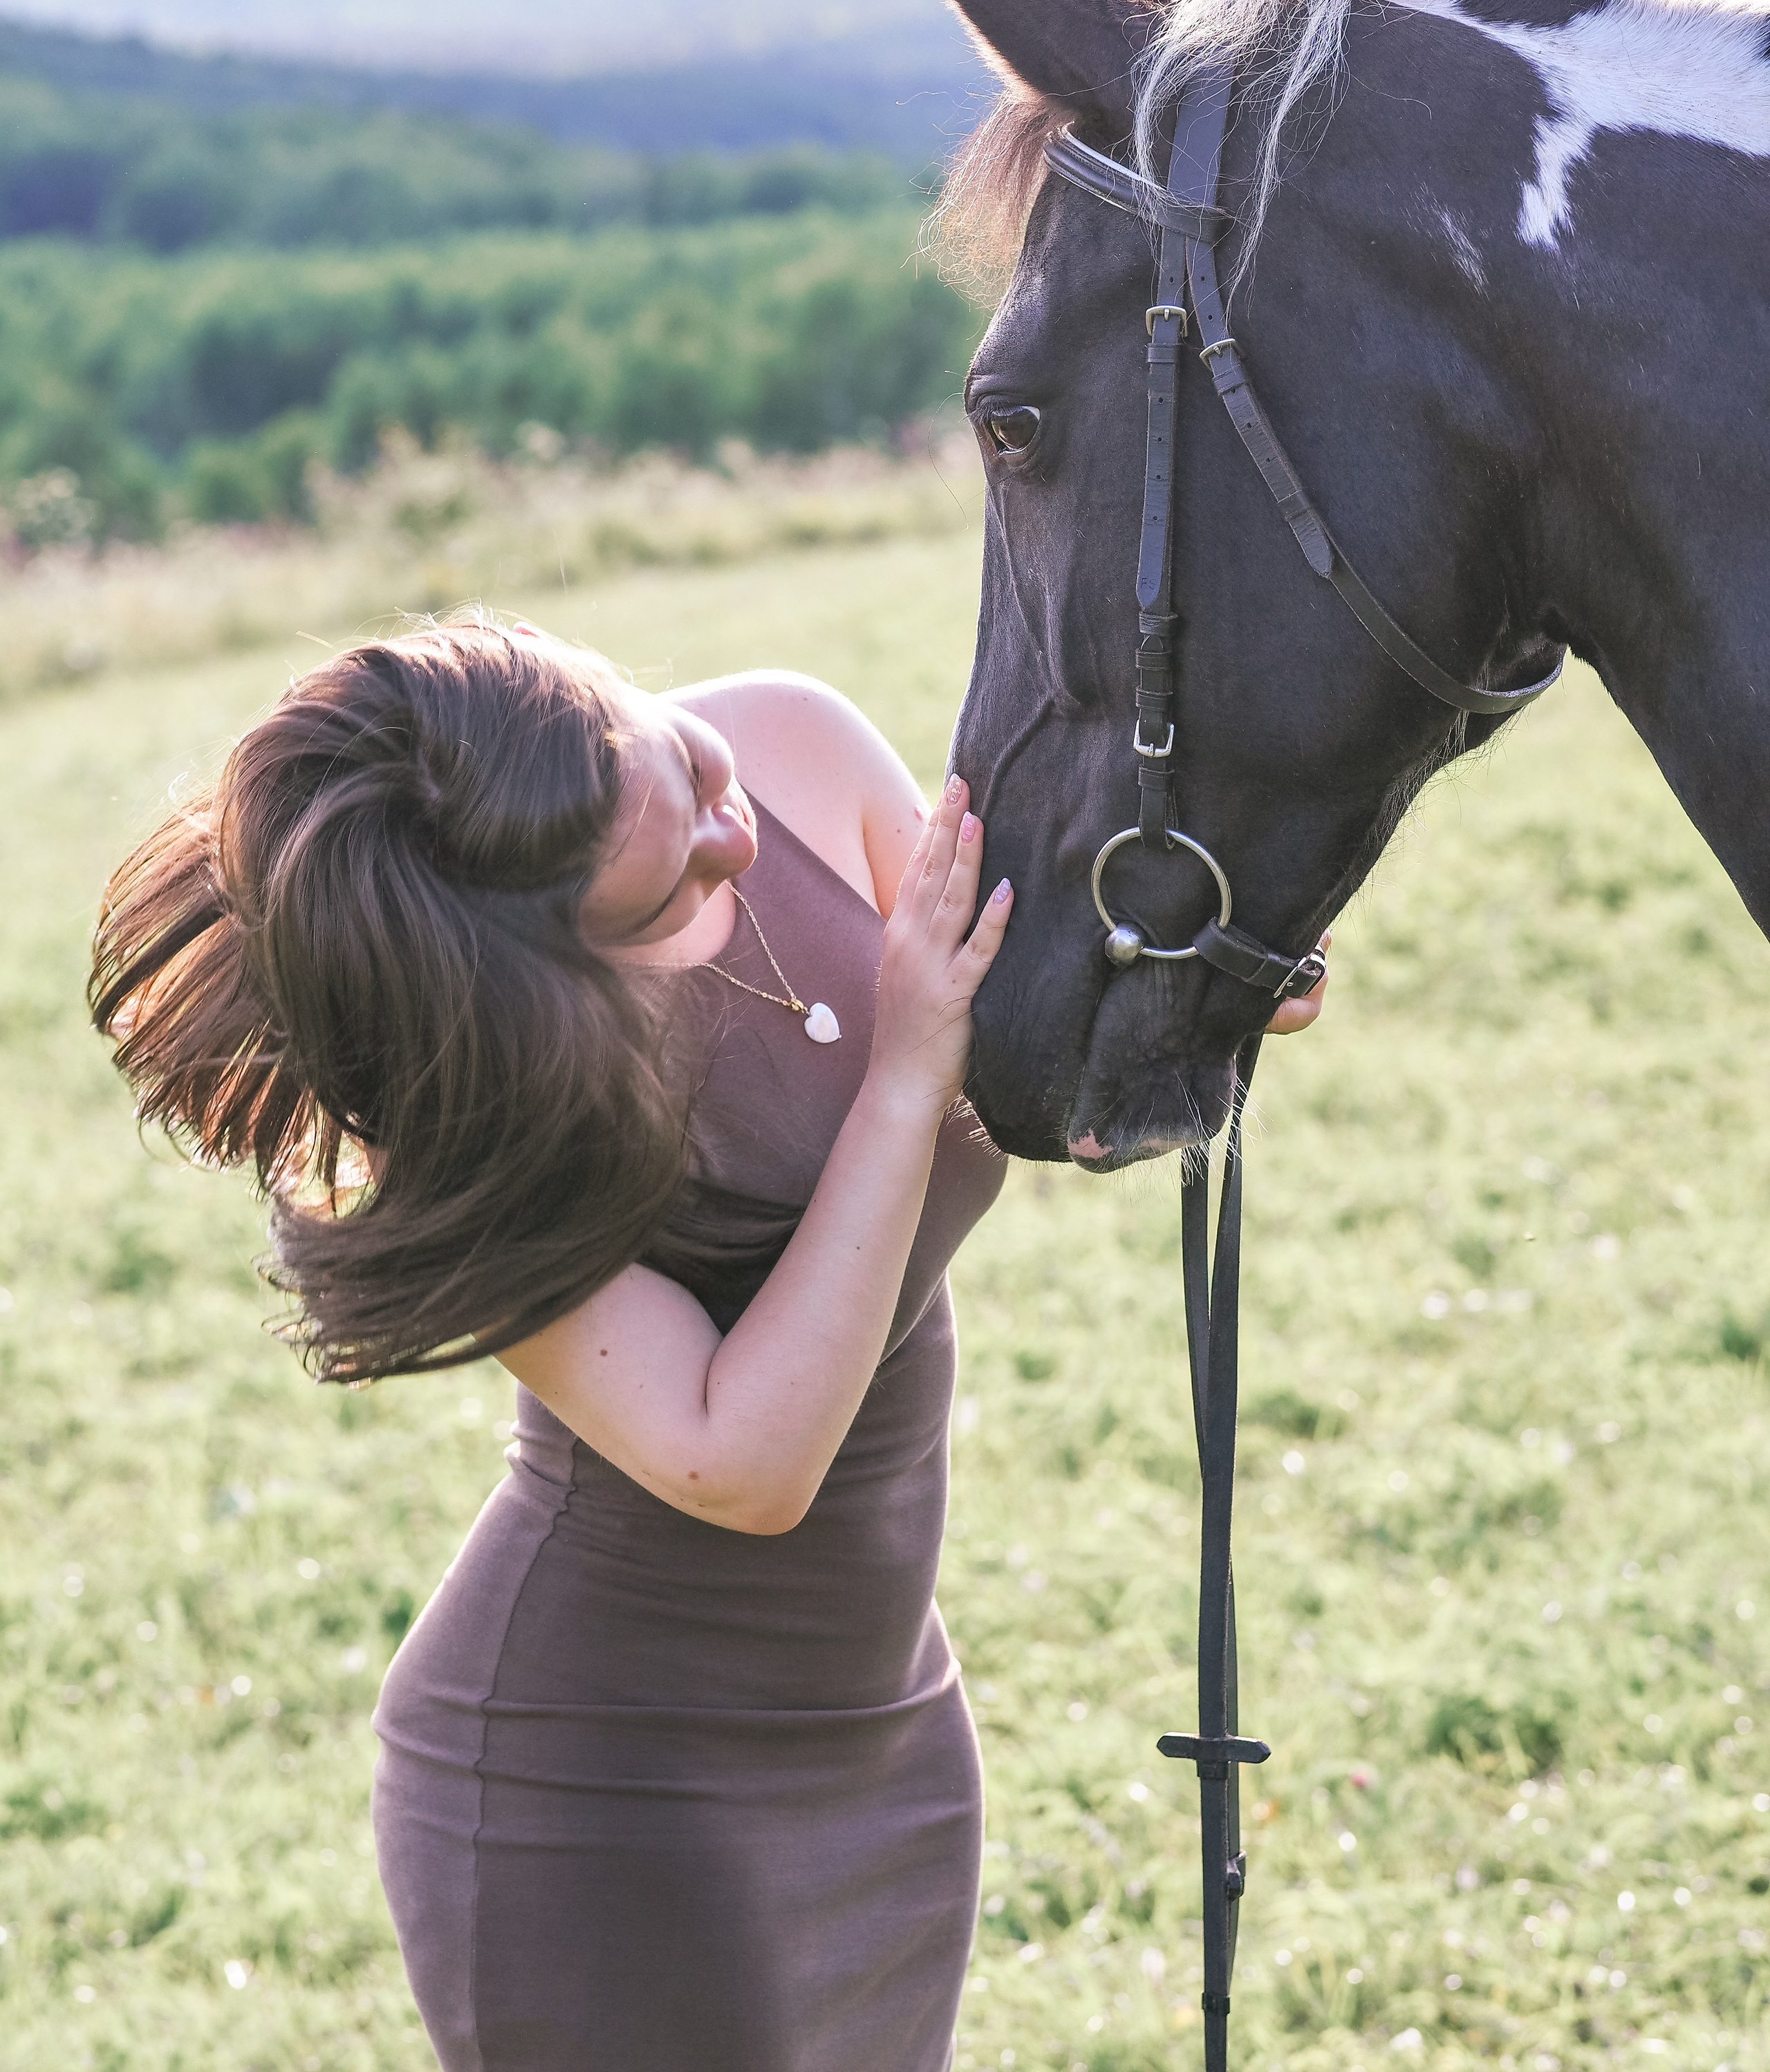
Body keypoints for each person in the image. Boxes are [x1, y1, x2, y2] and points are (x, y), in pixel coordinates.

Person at [88, 613, 1326, 2072]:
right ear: (541, 969)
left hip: (878, 1728)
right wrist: (902, 1070)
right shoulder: (478, 1104)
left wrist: (1177, 998)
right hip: (600, 1794)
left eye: (687, 771)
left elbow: (1010, 1085)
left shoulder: (794, 745)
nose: (733, 848)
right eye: (667, 893)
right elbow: (745, 1462)